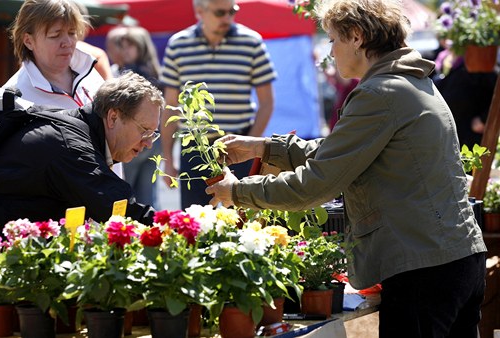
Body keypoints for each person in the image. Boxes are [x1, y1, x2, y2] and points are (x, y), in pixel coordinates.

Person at [205, 1, 487, 337]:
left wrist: (236, 192)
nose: (331, 50)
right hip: (454, 258)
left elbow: (315, 183)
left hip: (424, 268)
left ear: (356, 37)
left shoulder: (380, 93)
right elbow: (342, 152)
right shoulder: (409, 81)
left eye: (333, 39)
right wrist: (265, 147)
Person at [0, 72, 163, 336]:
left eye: (154, 133)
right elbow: (121, 209)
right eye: (145, 131)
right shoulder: (70, 145)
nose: (149, 143)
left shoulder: (74, 129)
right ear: (113, 117)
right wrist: (186, 231)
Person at [160, 0, 276, 209]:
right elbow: (170, 106)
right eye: (220, 12)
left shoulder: (251, 42)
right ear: (199, 11)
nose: (227, 18)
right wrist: (168, 159)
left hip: (239, 145)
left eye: (232, 11)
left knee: (245, 223)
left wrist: (250, 144)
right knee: (195, 222)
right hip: (194, 147)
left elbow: (267, 102)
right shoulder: (178, 44)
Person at [3, 0, 104, 109]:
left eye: (72, 33)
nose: (68, 43)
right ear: (29, 41)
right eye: (55, 35)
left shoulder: (88, 71)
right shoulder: (15, 97)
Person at [106, 25, 163, 205]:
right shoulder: (155, 71)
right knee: (148, 195)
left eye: (128, 46)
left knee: (126, 188)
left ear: (140, 47)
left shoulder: (129, 73)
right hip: (154, 139)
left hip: (137, 136)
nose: (124, 51)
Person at [432, 43, 497, 149]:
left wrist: (484, 119)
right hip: (453, 132)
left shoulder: (480, 66)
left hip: (472, 135)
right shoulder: (449, 60)